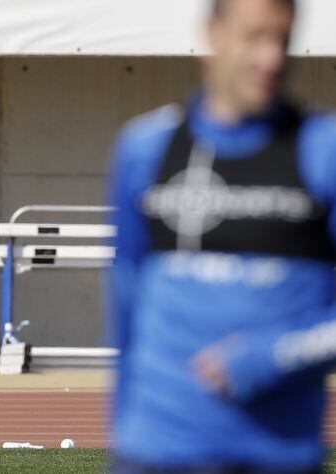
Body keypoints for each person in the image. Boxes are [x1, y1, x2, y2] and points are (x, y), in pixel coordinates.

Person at [108, 0, 336, 472]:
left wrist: (272, 357)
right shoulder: (146, 148)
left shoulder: (322, 150)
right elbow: (125, 299)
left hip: (276, 455)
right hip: (154, 453)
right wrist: (126, 435)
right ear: (212, 34)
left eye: (283, 40)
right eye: (255, 37)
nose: (271, 58)